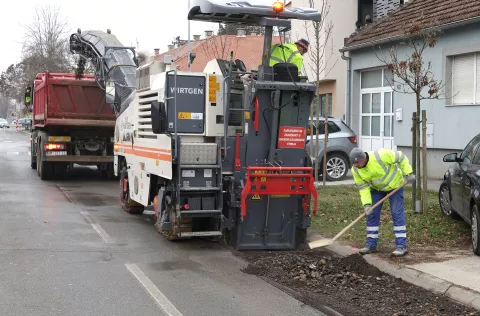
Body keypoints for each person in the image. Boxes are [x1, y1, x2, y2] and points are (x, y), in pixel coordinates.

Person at [349, 147, 416, 257]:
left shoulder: (380, 155)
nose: (356, 165)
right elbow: (363, 188)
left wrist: (408, 173)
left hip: (395, 186)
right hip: (377, 190)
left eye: (357, 162)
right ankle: (371, 245)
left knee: (396, 213)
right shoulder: (356, 170)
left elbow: (401, 156)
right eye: (353, 163)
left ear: (364, 158)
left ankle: (401, 246)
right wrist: (367, 204)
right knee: (372, 214)